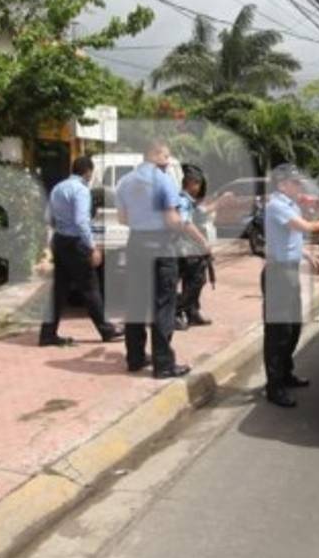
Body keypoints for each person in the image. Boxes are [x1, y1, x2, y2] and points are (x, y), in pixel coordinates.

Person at [262, 164, 319, 408]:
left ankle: (286, 374)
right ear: (282, 185)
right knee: (278, 333)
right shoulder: (276, 205)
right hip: (277, 274)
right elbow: (309, 228)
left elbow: (290, 237)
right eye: (295, 183)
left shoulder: (289, 205)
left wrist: (306, 254)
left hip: (289, 271)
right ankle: (274, 386)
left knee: (292, 327)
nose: (299, 186)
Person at [117, 140, 190, 379]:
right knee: (163, 305)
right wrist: (182, 224)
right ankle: (164, 364)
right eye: (166, 156)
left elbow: (123, 219)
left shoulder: (125, 182)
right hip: (160, 246)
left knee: (136, 303)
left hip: (136, 244)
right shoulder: (163, 180)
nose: (168, 161)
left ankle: (135, 357)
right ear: (154, 154)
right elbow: (171, 219)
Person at [38, 156, 119, 347]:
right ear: (88, 171)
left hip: (61, 241)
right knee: (90, 287)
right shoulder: (81, 190)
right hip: (76, 243)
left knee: (59, 290)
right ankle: (107, 330)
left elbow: (48, 217)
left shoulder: (58, 188)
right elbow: (82, 221)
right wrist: (92, 247)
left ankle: (47, 334)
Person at [174, 165, 231, 329]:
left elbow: (202, 212)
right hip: (187, 248)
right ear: (191, 183)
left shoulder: (188, 201)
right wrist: (203, 242)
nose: (199, 188)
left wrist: (219, 203)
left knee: (194, 279)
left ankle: (192, 312)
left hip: (191, 248)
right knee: (196, 280)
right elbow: (186, 223)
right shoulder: (183, 200)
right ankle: (175, 311)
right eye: (197, 183)